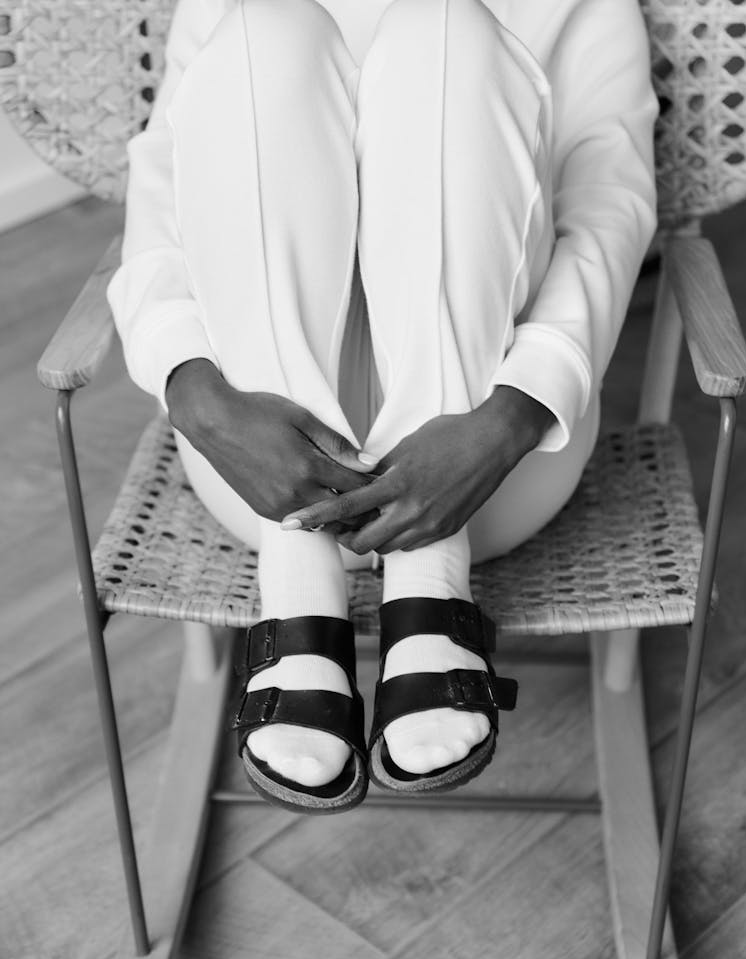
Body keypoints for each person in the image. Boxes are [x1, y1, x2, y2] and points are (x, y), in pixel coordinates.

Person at [107, 0, 658, 813]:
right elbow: (164, 197)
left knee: (447, 32)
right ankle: (299, 588)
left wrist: (511, 415)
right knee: (270, 29)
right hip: (256, 464)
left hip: (490, 461)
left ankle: (429, 583)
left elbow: (608, 210)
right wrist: (198, 397)